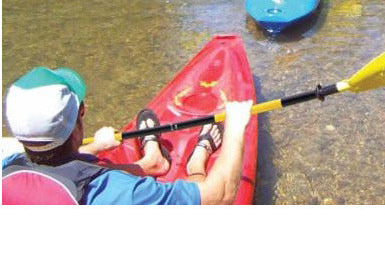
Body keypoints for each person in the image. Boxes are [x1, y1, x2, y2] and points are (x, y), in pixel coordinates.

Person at [2, 66, 252, 205]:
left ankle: (151, 161)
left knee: (94, 171)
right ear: (81, 114)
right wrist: (236, 126)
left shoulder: (8, 169)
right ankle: (198, 158)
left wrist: (98, 146)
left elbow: (59, 167)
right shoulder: (115, 193)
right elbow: (220, 196)